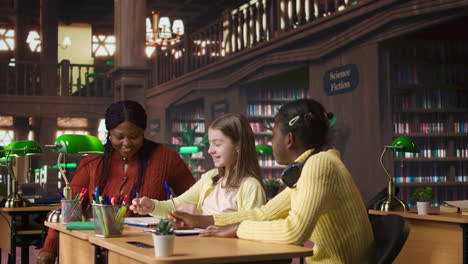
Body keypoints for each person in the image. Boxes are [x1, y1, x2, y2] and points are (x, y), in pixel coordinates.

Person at [168, 99, 375, 264]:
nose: (270, 142)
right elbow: (264, 214)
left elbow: (293, 231)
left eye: (273, 134)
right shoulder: (315, 164)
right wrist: (199, 221)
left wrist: (238, 228)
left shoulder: (320, 164)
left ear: (289, 139)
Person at [37, 100, 196, 264]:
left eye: (134, 136)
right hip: (100, 248)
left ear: (143, 132)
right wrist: (49, 248)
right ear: (109, 133)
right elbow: (70, 210)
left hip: (150, 251)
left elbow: (196, 198)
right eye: (119, 137)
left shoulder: (166, 158)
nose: (126, 143)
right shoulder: (93, 160)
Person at [130, 113, 266, 218]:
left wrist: (199, 217)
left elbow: (248, 229)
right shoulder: (211, 177)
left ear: (238, 146)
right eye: (210, 144)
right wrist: (152, 206)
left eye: (217, 144)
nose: (210, 150)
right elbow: (176, 204)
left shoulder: (251, 187)